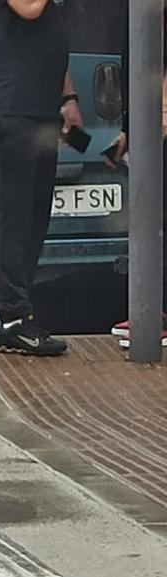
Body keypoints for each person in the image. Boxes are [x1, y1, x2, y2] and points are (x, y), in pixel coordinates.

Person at [0, 0, 82, 357]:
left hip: (36, 105)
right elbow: (29, 8)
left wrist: (68, 96)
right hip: (8, 105)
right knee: (12, 215)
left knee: (31, 217)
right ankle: (14, 319)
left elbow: (44, 29)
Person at [106, 7, 167, 348]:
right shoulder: (139, 17)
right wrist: (131, 128)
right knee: (153, 218)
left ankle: (155, 316)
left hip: (160, 121)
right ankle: (153, 312)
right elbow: (139, 66)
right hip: (150, 123)